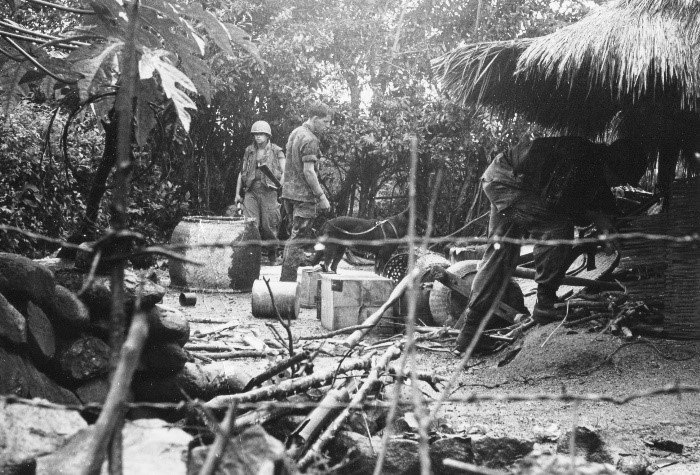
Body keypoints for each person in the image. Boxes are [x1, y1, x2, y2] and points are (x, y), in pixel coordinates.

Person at [453, 136, 647, 354]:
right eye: (618, 179)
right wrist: (596, 217)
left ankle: (468, 337)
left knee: (501, 254)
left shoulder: (595, 167)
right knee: (556, 228)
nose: (615, 185)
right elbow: (557, 202)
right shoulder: (578, 158)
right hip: (509, 180)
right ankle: (545, 302)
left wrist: (607, 222)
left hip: (502, 177)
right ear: (612, 165)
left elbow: (602, 205)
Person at [279, 102, 333, 282]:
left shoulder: (295, 132)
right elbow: (308, 171)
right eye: (325, 122)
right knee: (298, 239)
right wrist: (322, 197)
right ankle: (287, 284)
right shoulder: (310, 139)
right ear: (315, 119)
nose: (328, 126)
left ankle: (286, 281)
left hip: (289, 194)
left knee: (293, 237)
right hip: (304, 196)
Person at [234, 120, 286, 265]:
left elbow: (285, 171)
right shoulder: (249, 151)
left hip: (269, 191)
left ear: (268, 135)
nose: (258, 137)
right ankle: (251, 257)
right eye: (256, 134)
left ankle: (272, 255)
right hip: (251, 191)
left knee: (269, 225)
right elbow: (242, 172)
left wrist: (279, 185)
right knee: (251, 225)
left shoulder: (277, 151)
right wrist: (237, 193)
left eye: (261, 134)